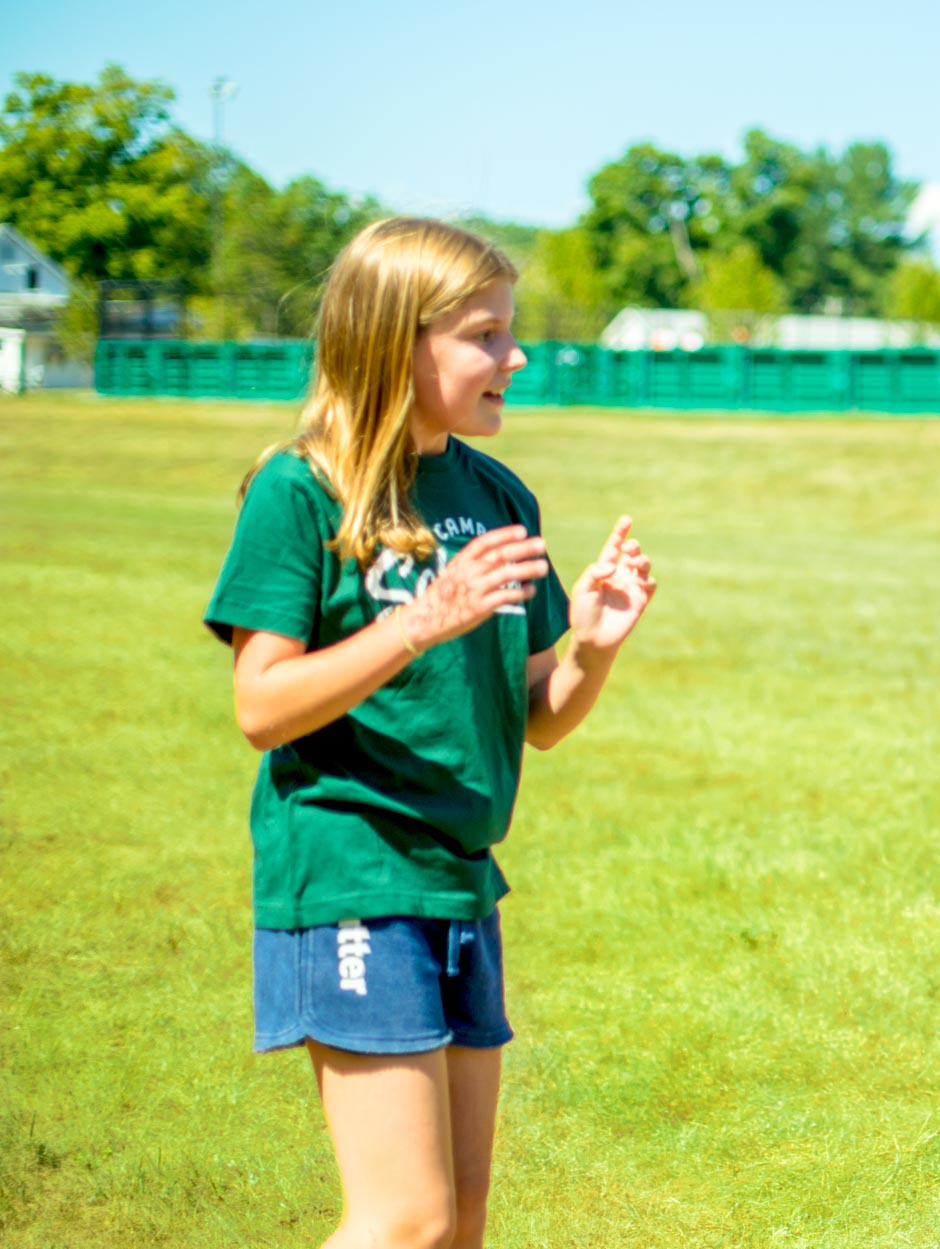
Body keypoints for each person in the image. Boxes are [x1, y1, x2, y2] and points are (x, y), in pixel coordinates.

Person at [204, 216, 657, 1249]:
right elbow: (260, 703)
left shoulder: (498, 494)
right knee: (404, 1220)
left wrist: (592, 646)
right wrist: (421, 619)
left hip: (461, 878)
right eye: (485, 335)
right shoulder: (303, 489)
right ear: (395, 342)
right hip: (354, 870)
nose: (517, 356)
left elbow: (538, 718)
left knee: (459, 1222)